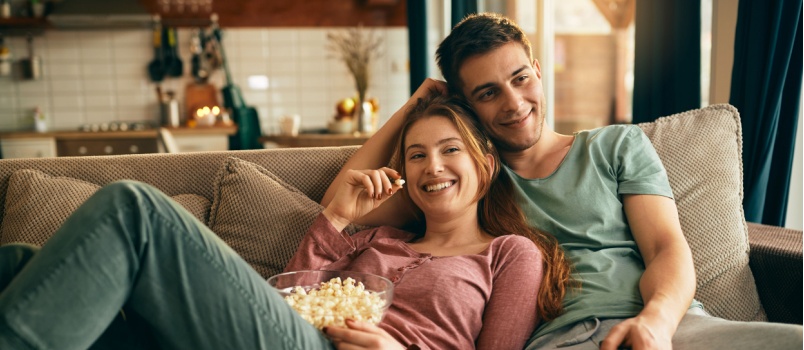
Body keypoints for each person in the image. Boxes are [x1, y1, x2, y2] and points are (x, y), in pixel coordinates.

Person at [321, 12, 803, 350]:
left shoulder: (616, 145)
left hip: (669, 328)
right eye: (488, 93)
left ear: (537, 70)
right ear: (467, 107)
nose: (514, 103)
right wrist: (418, 105)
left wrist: (655, 322)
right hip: (559, 340)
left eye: (520, 78)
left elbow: (665, 248)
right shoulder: (468, 178)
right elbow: (345, 202)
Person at [0, 95, 572, 350]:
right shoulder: (377, 239)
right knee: (21, 263)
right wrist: (337, 216)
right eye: (417, 155)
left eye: (450, 151)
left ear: (486, 164)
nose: (432, 167)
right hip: (291, 336)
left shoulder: (509, 254)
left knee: (135, 209)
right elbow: (292, 298)